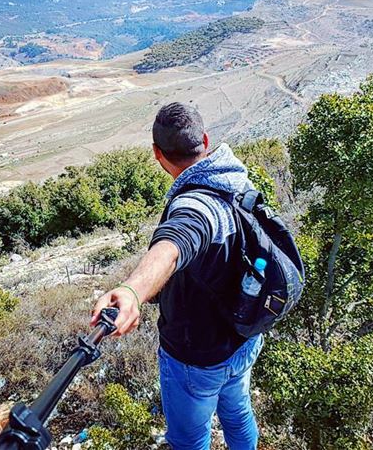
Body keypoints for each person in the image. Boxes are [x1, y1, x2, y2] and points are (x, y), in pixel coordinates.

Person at [91, 102, 263, 450]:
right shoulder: (234, 179)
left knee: (189, 440)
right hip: (243, 339)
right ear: (203, 139)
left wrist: (132, 290)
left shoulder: (194, 206)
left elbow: (172, 246)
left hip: (197, 357)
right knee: (238, 413)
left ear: (157, 154)